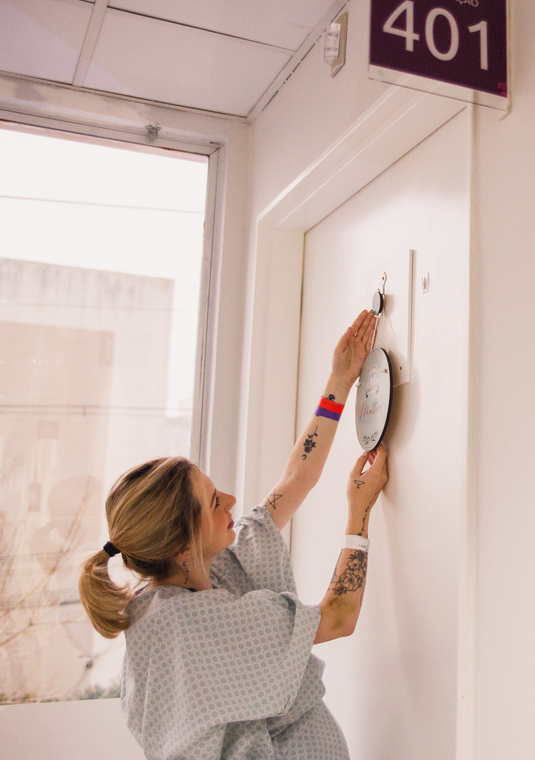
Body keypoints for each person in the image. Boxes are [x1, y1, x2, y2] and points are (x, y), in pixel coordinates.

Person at [78, 310, 387, 760]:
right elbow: (339, 616)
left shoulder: (189, 580)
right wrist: (359, 513)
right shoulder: (204, 628)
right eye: (213, 503)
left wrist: (340, 380)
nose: (231, 499)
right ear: (181, 547)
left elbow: (293, 480)